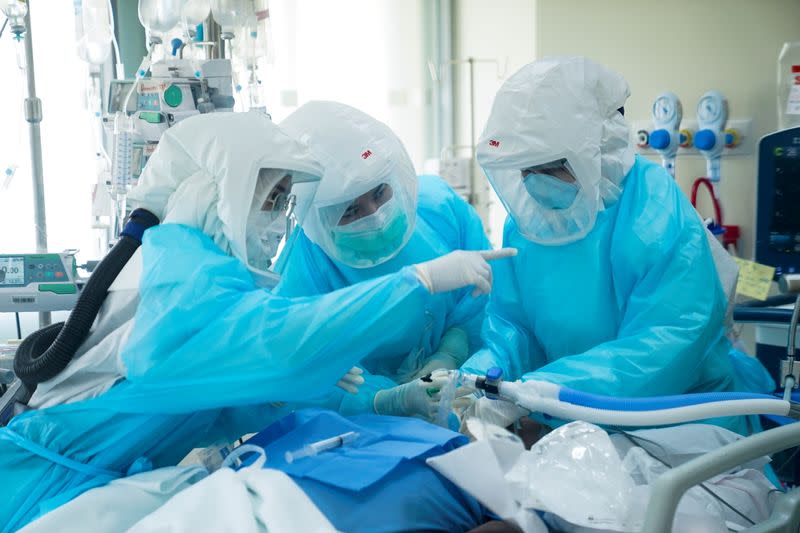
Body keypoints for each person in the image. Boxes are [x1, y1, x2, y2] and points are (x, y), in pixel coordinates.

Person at [0, 112, 510, 530]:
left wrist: (278, 393)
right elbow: (279, 344)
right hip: (37, 489)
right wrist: (416, 281)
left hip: (93, 482)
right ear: (219, 197)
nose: (275, 221)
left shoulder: (201, 269)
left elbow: (216, 408)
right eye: (268, 202)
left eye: (283, 204)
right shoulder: (177, 279)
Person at [459, 57, 773, 435]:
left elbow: (662, 348)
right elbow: (513, 327)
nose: (536, 185)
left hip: (679, 423)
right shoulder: (530, 222)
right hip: (565, 420)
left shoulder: (654, 216)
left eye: (550, 167)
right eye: (525, 170)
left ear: (602, 149)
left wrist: (536, 393)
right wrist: (474, 380)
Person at [275, 101, 501, 419]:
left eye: (379, 193)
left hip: (459, 405)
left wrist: (452, 350)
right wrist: (383, 399)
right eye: (350, 210)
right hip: (360, 432)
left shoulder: (440, 210)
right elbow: (298, 370)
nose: (376, 217)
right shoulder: (302, 272)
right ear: (316, 219)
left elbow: (484, 306)